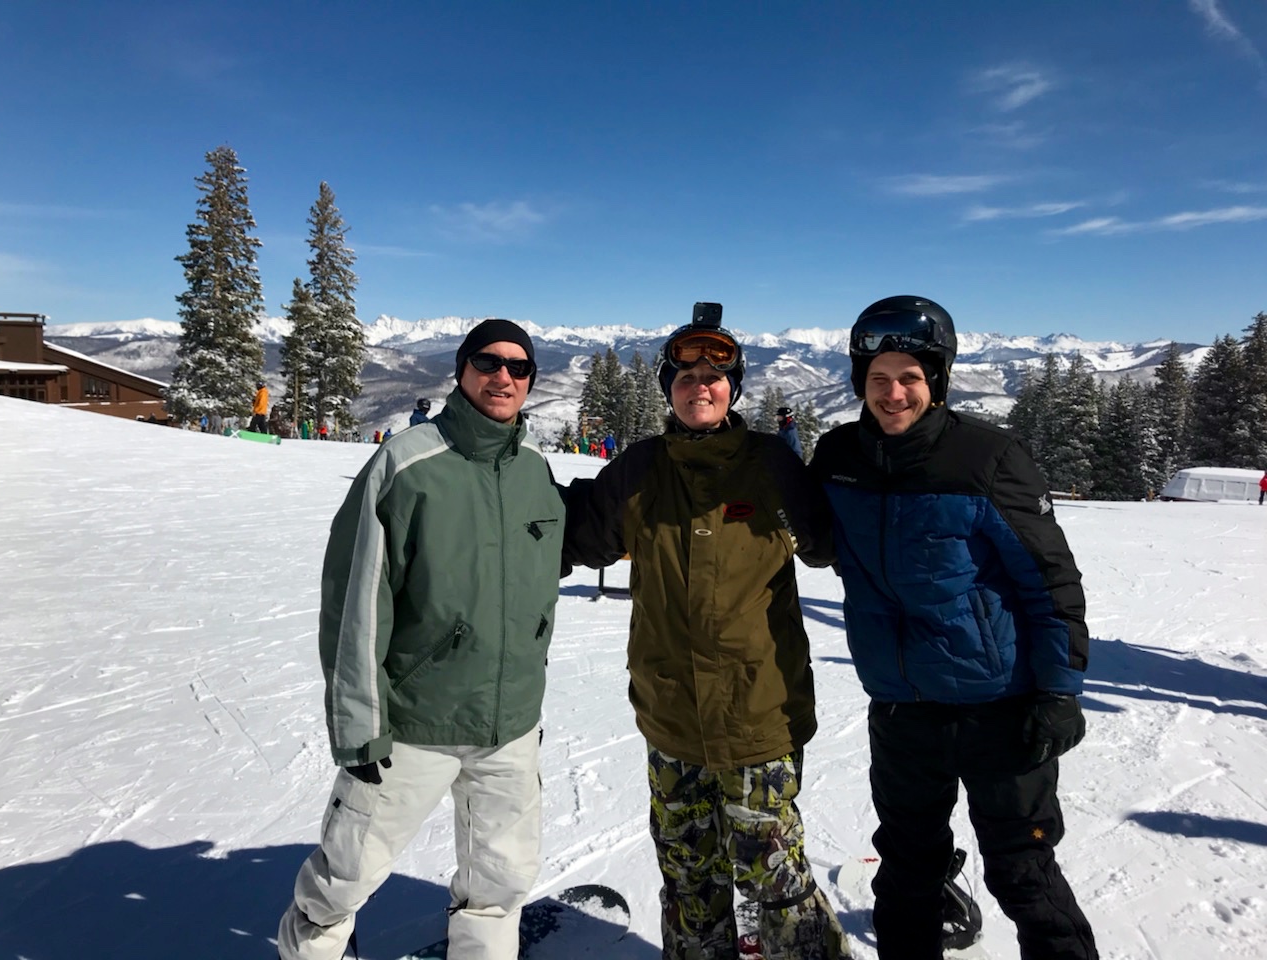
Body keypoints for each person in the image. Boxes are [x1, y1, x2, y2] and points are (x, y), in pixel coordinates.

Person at [809, 295, 1097, 960]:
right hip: (904, 708)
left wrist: (1059, 688)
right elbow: (814, 538)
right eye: (878, 379)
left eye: (909, 378)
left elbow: (1049, 579)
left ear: (936, 381)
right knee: (908, 876)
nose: (893, 393)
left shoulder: (985, 459)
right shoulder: (839, 457)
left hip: (1000, 707)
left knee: (1023, 874)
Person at [563, 303, 851, 960]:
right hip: (672, 722)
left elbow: (833, 544)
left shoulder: (773, 467)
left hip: (758, 717)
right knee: (690, 881)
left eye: (715, 376)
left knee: (775, 881)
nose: (701, 386)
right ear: (668, 386)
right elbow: (572, 534)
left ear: (733, 387)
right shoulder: (639, 471)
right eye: (685, 376)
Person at [277, 318, 566, 960]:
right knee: (346, 873)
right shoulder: (407, 464)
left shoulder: (535, 470)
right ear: (461, 370)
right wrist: (359, 723)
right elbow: (355, 603)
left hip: (510, 726)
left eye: (519, 368)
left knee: (502, 882)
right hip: (413, 723)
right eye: (488, 362)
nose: (503, 376)